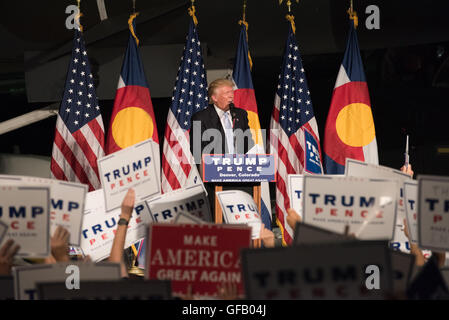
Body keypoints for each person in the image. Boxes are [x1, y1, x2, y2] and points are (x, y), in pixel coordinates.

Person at [190, 78, 255, 218]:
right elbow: (197, 150)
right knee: (221, 220)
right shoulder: (200, 117)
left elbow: (248, 143)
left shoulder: (241, 115)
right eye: (226, 93)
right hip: (216, 181)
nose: (231, 96)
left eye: (231, 92)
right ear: (214, 98)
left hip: (242, 177)